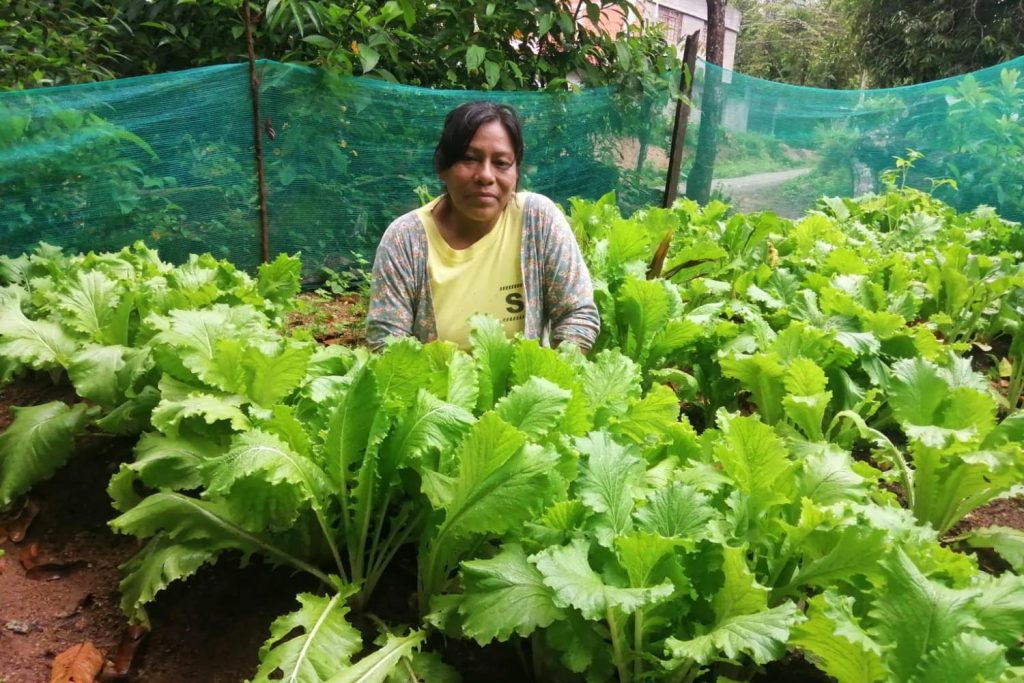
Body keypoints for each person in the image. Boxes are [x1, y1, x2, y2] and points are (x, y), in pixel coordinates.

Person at [366, 101, 600, 353]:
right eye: (469, 159)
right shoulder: (405, 240)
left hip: (525, 388)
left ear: (516, 173)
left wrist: (554, 372)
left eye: (501, 163)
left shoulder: (537, 221)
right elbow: (387, 343)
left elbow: (578, 313)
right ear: (443, 169)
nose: (486, 176)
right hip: (433, 389)